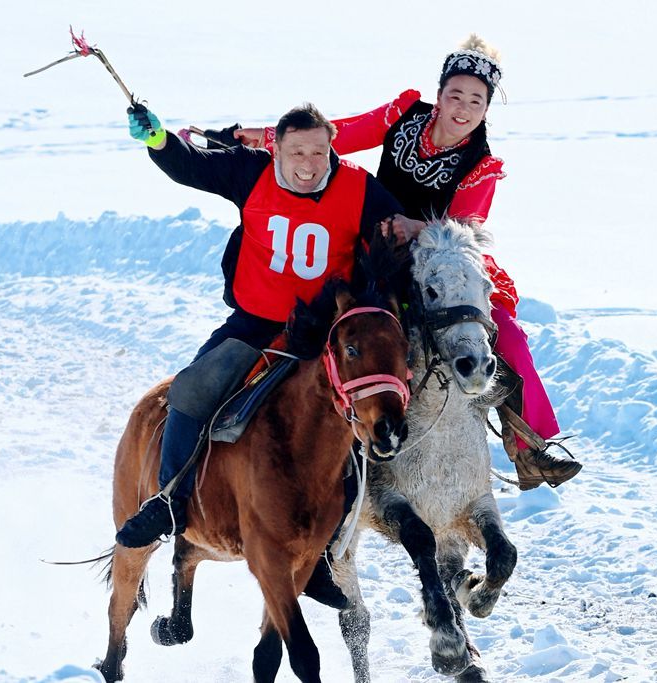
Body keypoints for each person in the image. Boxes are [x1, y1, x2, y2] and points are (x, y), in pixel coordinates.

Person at [231, 36, 580, 491]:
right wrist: (269, 139)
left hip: (441, 259)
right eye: (455, 94)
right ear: (439, 95)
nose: (463, 107)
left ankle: (528, 446)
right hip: (376, 249)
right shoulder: (404, 114)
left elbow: (464, 225)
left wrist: (415, 227)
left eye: (476, 100)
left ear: (486, 109)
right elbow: (347, 131)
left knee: (507, 334)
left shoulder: (484, 165)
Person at [115, 103, 404, 548]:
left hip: (326, 334)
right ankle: (171, 500)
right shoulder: (251, 173)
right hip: (255, 324)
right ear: (277, 151)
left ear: (332, 150)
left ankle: (332, 546)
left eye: (318, 152)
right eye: (297, 153)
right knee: (192, 389)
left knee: (358, 411)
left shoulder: (360, 188)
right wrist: (158, 140)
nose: (308, 165)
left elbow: (393, 237)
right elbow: (190, 166)